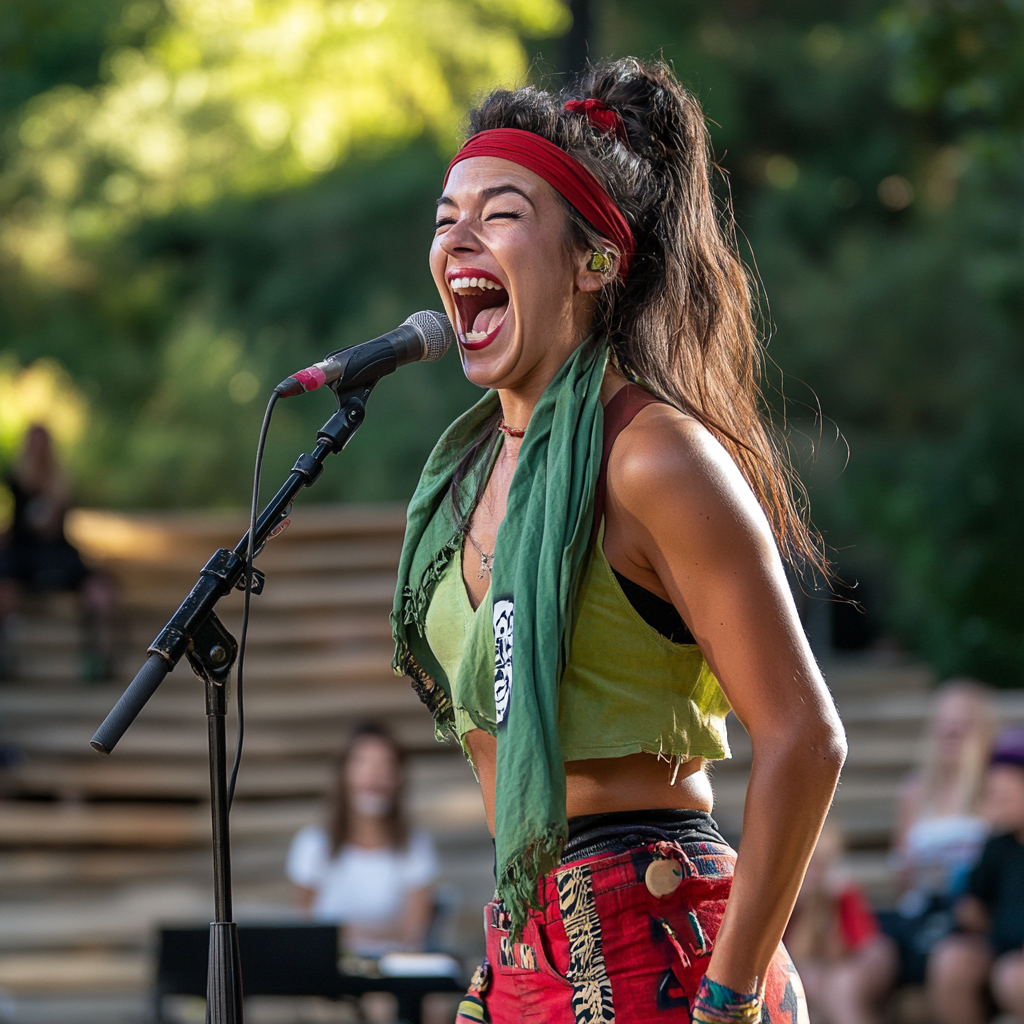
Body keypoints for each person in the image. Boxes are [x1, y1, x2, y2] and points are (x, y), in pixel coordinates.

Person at [391, 59, 846, 1024]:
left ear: (597, 261)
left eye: (500, 213)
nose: (458, 235)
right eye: (445, 217)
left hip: (664, 942)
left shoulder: (652, 460)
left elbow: (807, 739)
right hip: (523, 942)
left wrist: (728, 996)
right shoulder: (463, 480)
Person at [286, 724, 438, 957]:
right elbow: (306, 930)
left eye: (385, 765)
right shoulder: (312, 845)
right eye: (363, 763)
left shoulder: (414, 846)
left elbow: (413, 933)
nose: (374, 775)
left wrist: (345, 933)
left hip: (391, 974)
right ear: (344, 771)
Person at [881, 680, 994, 985]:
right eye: (944, 725)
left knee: (950, 960)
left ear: (983, 731)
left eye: (962, 725)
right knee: (855, 967)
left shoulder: (994, 791)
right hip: (919, 917)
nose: (950, 733)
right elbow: (902, 880)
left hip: (974, 922)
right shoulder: (914, 791)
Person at [0, 424, 118, 681]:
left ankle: (99, 654)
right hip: (25, 556)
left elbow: (55, 527)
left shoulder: (60, 481)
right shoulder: (16, 480)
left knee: (99, 587)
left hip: (57, 555)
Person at [927, 727, 1024, 1024]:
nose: (995, 804)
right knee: (952, 960)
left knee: (1013, 976)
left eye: (1005, 796)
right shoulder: (998, 845)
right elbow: (970, 908)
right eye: (992, 795)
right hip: (1001, 945)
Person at [785, 822, 897, 1024]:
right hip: (822, 968)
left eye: (818, 864)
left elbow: (845, 950)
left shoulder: (843, 892)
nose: (812, 873)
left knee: (840, 985)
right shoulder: (790, 903)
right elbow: (795, 955)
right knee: (809, 980)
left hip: (860, 960)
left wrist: (827, 911)